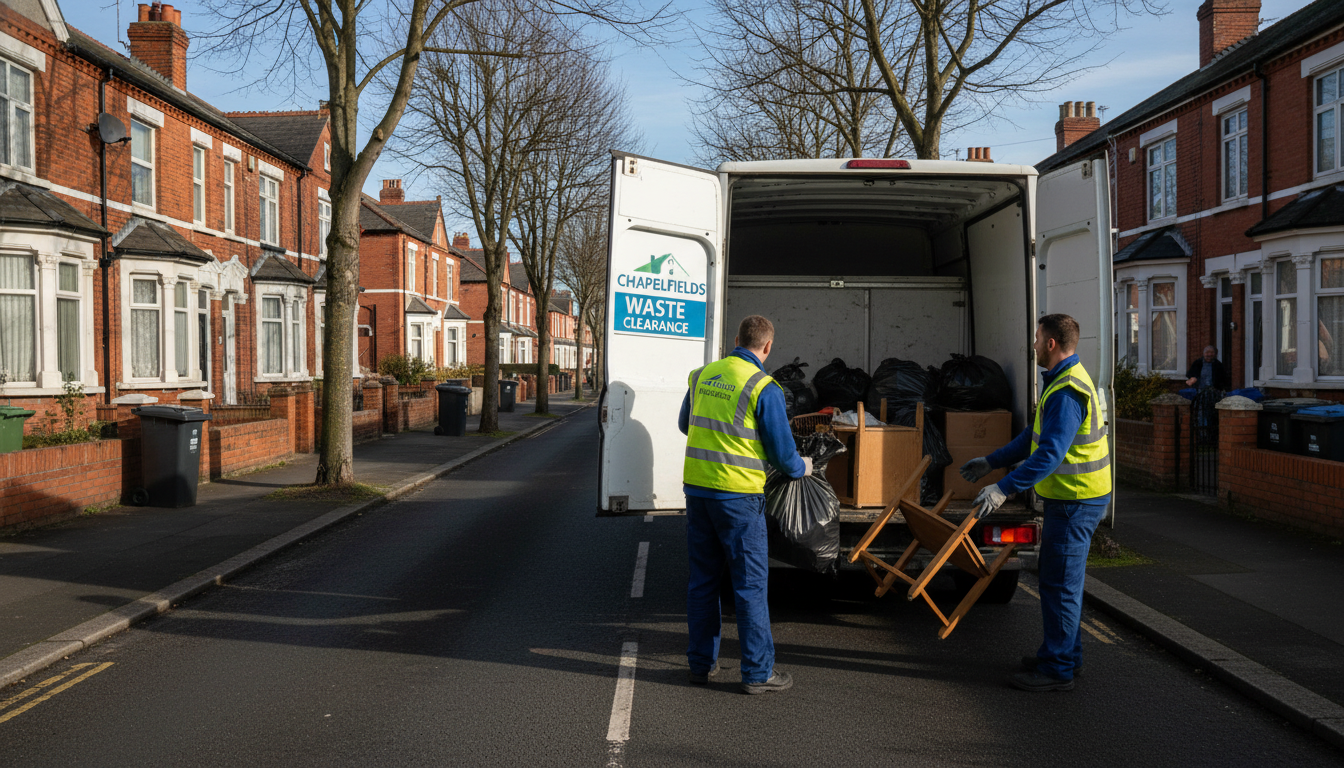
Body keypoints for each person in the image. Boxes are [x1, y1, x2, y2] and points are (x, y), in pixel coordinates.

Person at [959, 314, 1112, 693]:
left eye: (1036, 338)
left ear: (1051, 344)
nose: (1032, 345)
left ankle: (1057, 669)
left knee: (1059, 585)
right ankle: (1063, 656)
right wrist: (992, 461)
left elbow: (1049, 455)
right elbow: (1034, 434)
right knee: (1060, 581)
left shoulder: (1065, 391)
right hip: (1076, 499)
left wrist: (1003, 488)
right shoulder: (1066, 379)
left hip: (1077, 501)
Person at [678, 315, 810, 695]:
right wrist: (805, 467)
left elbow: (688, 424)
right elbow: (784, 457)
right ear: (767, 347)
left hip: (698, 493)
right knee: (749, 585)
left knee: (703, 582)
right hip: (738, 498)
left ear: (736, 339)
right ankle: (757, 673)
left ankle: (701, 665)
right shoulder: (763, 387)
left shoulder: (701, 375)